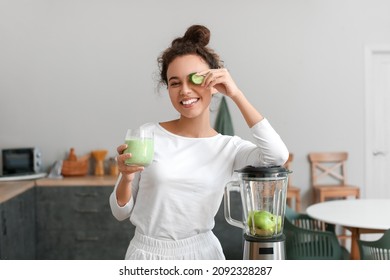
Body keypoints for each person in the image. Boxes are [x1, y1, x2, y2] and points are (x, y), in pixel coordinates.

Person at [109, 24, 289, 260]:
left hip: (202, 254)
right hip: (148, 255)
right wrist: (126, 176)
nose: (184, 90)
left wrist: (236, 93)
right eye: (175, 83)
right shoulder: (148, 135)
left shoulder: (228, 148)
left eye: (194, 80)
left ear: (214, 84)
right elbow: (120, 212)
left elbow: (277, 156)